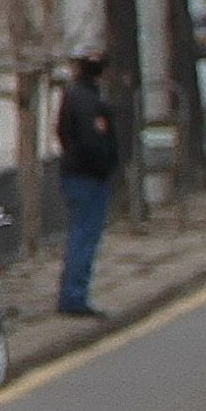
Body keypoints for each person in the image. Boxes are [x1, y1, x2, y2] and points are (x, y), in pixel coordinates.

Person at [54, 54, 120, 317]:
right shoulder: (90, 101)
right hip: (89, 177)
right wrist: (104, 165)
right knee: (84, 237)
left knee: (79, 234)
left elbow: (61, 131)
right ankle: (74, 296)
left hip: (75, 173)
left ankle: (73, 293)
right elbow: (93, 141)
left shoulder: (72, 95)